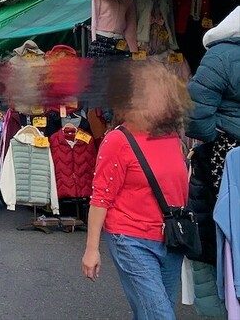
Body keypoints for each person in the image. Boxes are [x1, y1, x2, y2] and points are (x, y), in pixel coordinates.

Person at [81, 61, 191, 319]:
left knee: (149, 312)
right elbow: (100, 198)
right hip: (130, 238)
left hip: (170, 238)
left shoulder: (171, 136)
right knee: (160, 315)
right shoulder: (118, 140)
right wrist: (91, 249)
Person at [187, 6, 240, 185]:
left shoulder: (218, 57)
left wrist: (212, 141)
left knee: (227, 207)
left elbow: (196, 110)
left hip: (227, 147)